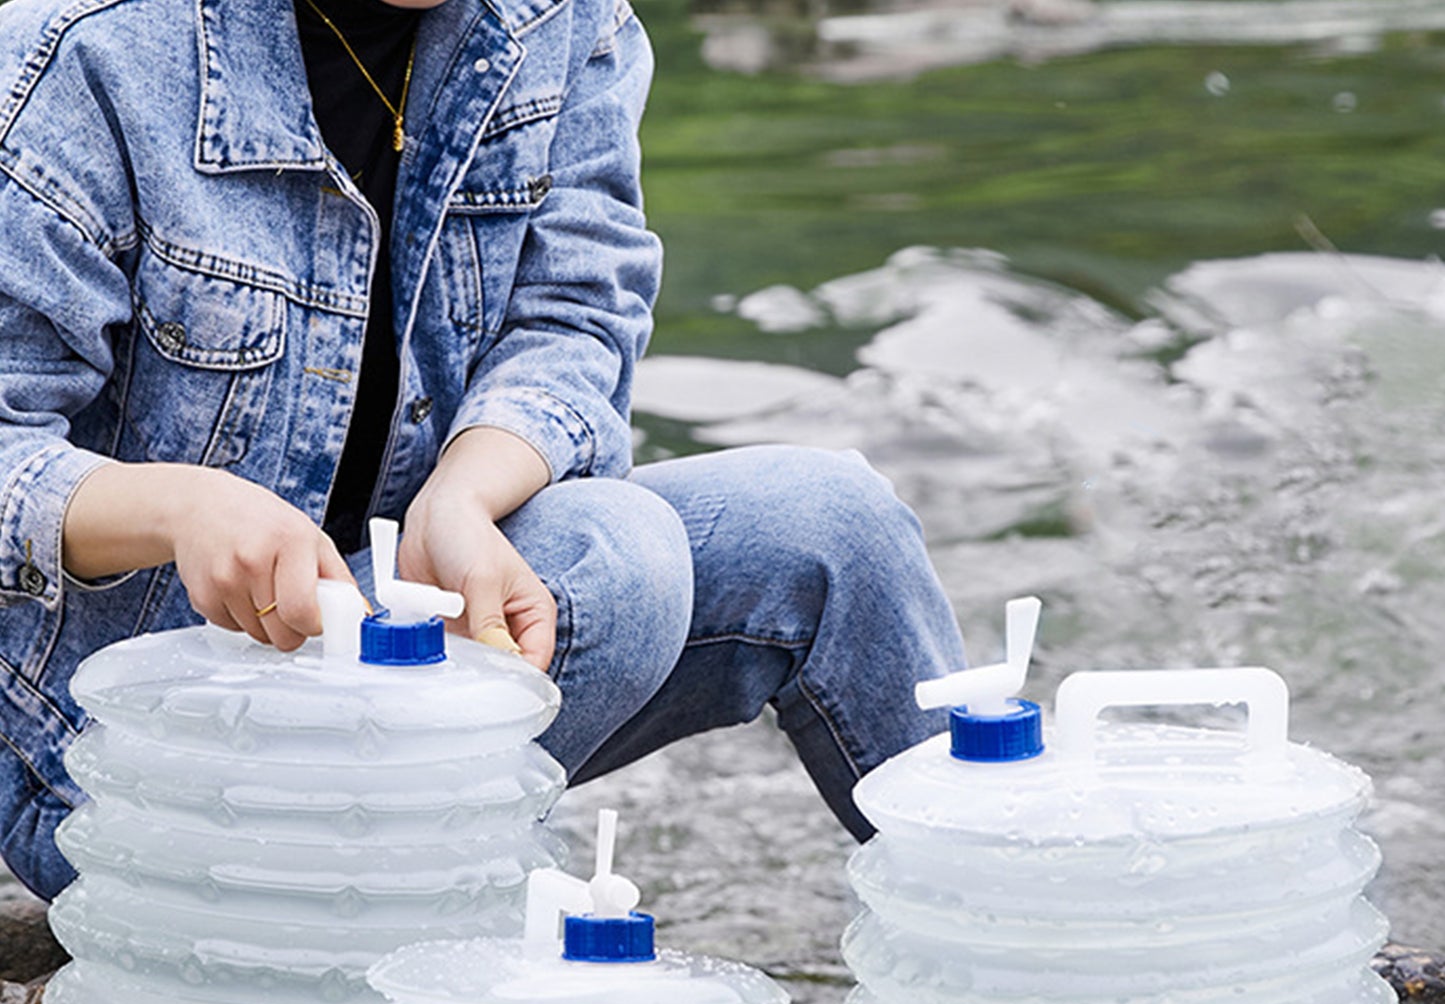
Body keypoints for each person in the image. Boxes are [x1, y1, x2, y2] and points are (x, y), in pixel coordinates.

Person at [0, 0, 966, 904]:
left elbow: (576, 313)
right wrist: (185, 510)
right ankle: (351, 967)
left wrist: (458, 502)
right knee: (614, 559)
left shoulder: (560, 21)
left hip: (389, 627)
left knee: (835, 523)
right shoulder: (88, 49)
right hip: (108, 755)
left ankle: (1012, 975)